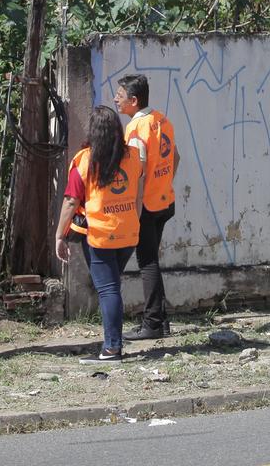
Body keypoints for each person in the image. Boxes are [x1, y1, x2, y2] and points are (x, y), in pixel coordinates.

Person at [54, 105, 145, 364]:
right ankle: (113, 343)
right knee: (112, 286)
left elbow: (71, 202)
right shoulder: (133, 156)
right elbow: (138, 196)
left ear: (93, 132)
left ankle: (112, 348)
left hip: (100, 236)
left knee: (108, 289)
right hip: (128, 233)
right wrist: (133, 220)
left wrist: (59, 235)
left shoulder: (84, 160)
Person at [114, 74, 180, 340]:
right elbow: (176, 157)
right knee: (152, 259)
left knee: (147, 262)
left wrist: (134, 206)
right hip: (165, 200)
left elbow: (136, 173)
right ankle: (160, 321)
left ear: (133, 100)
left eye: (119, 95)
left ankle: (152, 324)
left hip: (147, 208)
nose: (115, 100)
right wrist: (162, 184)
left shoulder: (134, 129)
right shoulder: (162, 120)